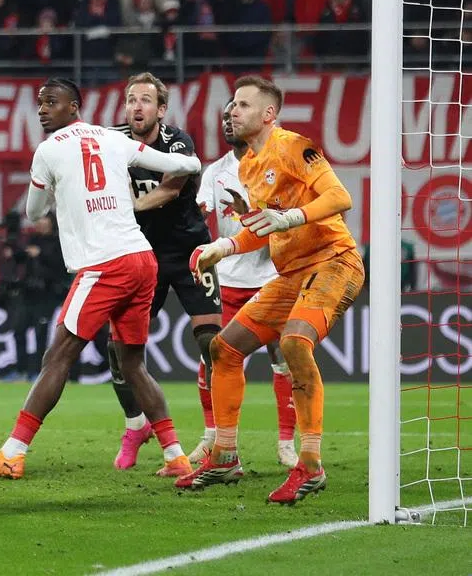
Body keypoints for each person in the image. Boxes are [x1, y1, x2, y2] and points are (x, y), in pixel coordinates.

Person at [0, 78, 201, 481]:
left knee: (58, 356)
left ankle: (14, 452)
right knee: (133, 364)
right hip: (143, 260)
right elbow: (176, 164)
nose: (42, 109)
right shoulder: (112, 138)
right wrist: (194, 164)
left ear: (74, 107)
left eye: (51, 102)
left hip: (105, 264)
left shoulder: (48, 151)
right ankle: (176, 455)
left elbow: (34, 212)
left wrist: (53, 190)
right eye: (40, 103)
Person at [178, 75, 364, 504]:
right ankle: (224, 454)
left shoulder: (296, 146)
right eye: (230, 106)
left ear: (268, 114)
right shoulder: (248, 166)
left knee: (296, 342)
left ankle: (311, 465)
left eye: (242, 105)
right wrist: (223, 245)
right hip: (292, 273)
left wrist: (291, 218)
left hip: (334, 261)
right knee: (224, 349)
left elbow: (339, 197)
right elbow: (262, 228)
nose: (231, 111)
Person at [107, 72, 224, 471]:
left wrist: (123, 208)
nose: (135, 107)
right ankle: (135, 424)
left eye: (144, 100)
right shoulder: (112, 140)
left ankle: (217, 440)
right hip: (141, 257)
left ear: (160, 109)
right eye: (130, 99)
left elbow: (171, 188)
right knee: (118, 349)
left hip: (191, 251)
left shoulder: (178, 143)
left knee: (213, 344)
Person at [193, 99, 298, 468]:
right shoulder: (215, 172)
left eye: (234, 114)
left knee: (284, 357)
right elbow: (199, 215)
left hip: (271, 276)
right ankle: (212, 439)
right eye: (223, 115)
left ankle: (287, 443)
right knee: (213, 357)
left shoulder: (280, 164)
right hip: (229, 279)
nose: (228, 120)